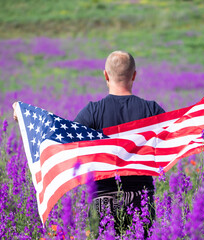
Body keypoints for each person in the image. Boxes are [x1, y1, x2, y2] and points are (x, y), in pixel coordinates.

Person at [74, 50, 165, 234]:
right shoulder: (151, 110)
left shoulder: (92, 112)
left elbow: (66, 140)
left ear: (105, 75)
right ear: (134, 75)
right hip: (141, 201)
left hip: (102, 202)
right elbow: (179, 133)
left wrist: (23, 116)